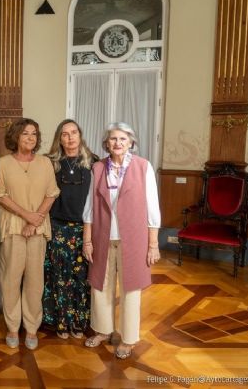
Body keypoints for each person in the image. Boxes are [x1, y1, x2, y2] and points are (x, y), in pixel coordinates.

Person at [82, 122, 161, 360]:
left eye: (123, 139)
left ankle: (128, 339)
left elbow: (152, 208)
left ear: (131, 143)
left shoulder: (143, 167)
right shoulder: (97, 168)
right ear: (107, 143)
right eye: (113, 139)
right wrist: (87, 241)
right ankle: (103, 330)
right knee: (100, 286)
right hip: (102, 236)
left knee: (131, 289)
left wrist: (153, 244)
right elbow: (89, 208)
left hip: (134, 239)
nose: (118, 143)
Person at [0, 118, 60, 350]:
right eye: (25, 134)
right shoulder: (2, 163)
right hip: (12, 227)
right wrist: (26, 215)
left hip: (38, 229)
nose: (30, 138)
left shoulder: (45, 163)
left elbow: (51, 194)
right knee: (10, 280)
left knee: (35, 280)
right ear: (15, 137)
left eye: (34, 134)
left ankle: (31, 328)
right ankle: (13, 327)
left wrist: (35, 220)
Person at [43, 119, 98, 339]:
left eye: (74, 132)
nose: (70, 137)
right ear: (60, 138)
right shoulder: (50, 163)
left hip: (85, 230)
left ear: (80, 135)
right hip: (57, 227)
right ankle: (60, 322)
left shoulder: (94, 163)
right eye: (65, 134)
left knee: (81, 277)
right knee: (58, 276)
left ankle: (79, 323)